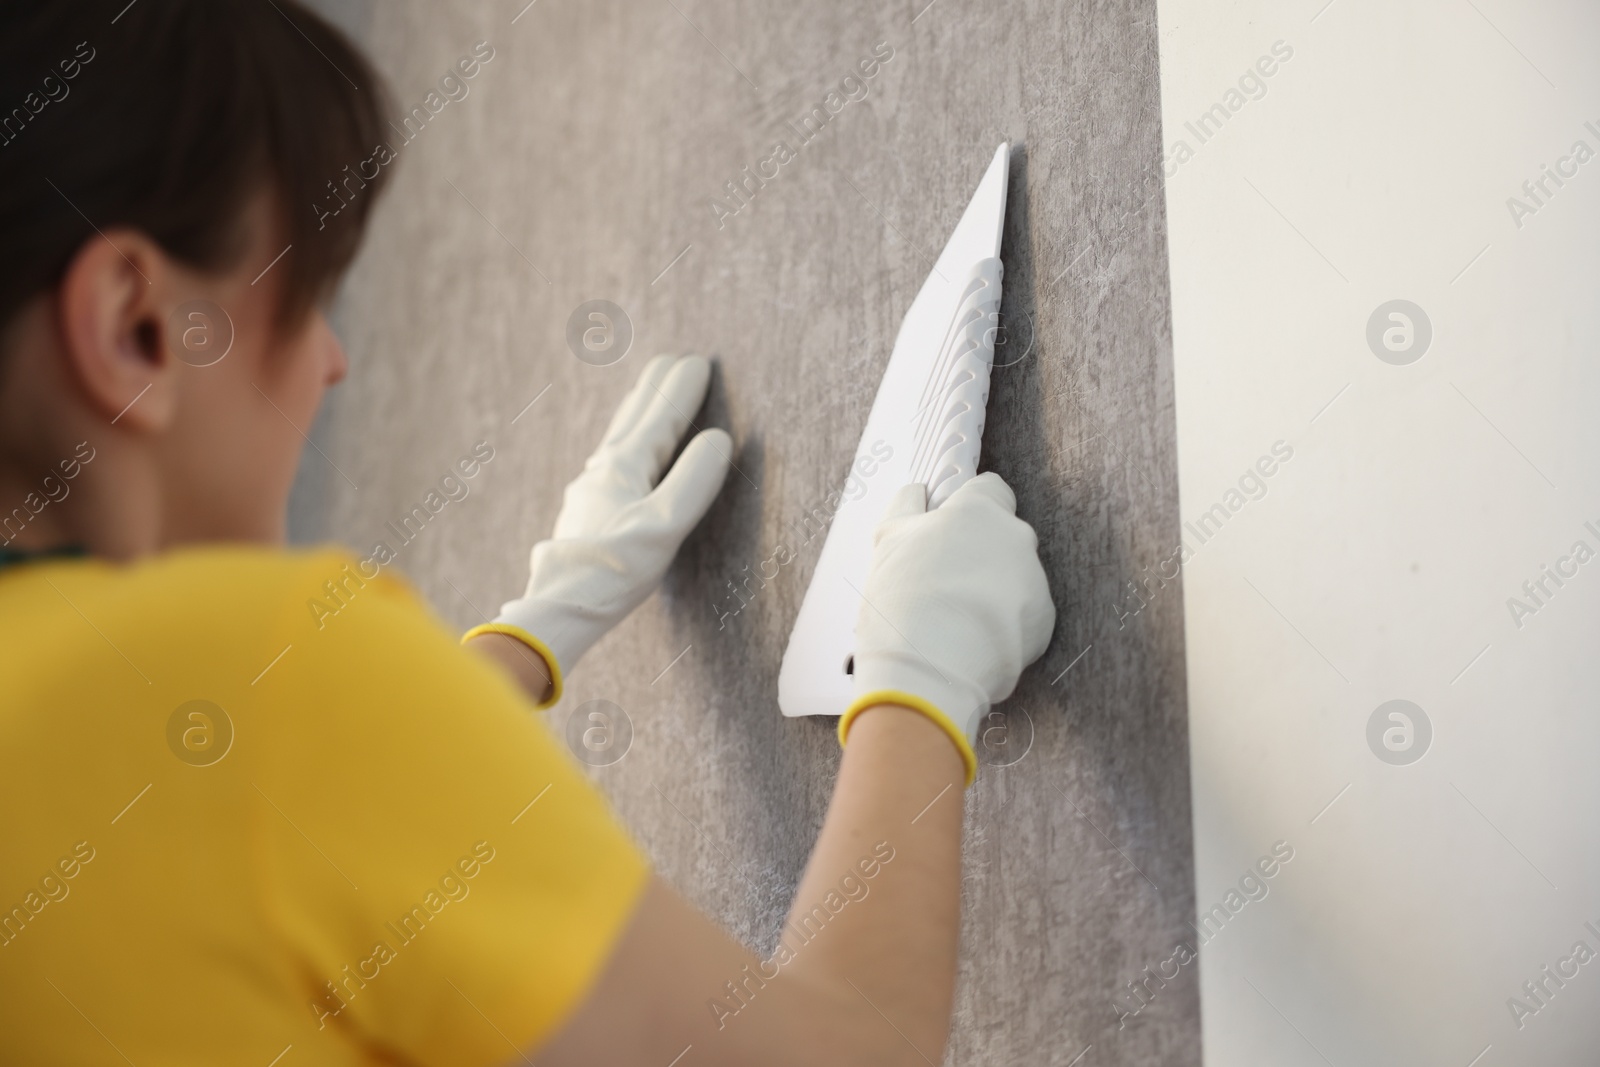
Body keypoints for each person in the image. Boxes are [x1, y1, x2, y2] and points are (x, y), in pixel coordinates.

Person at [0, 2, 1055, 1064]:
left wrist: (528, 629)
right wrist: (918, 689)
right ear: (137, 328)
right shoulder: (258, 672)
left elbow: (214, 821)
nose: (331, 362)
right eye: (304, 293)